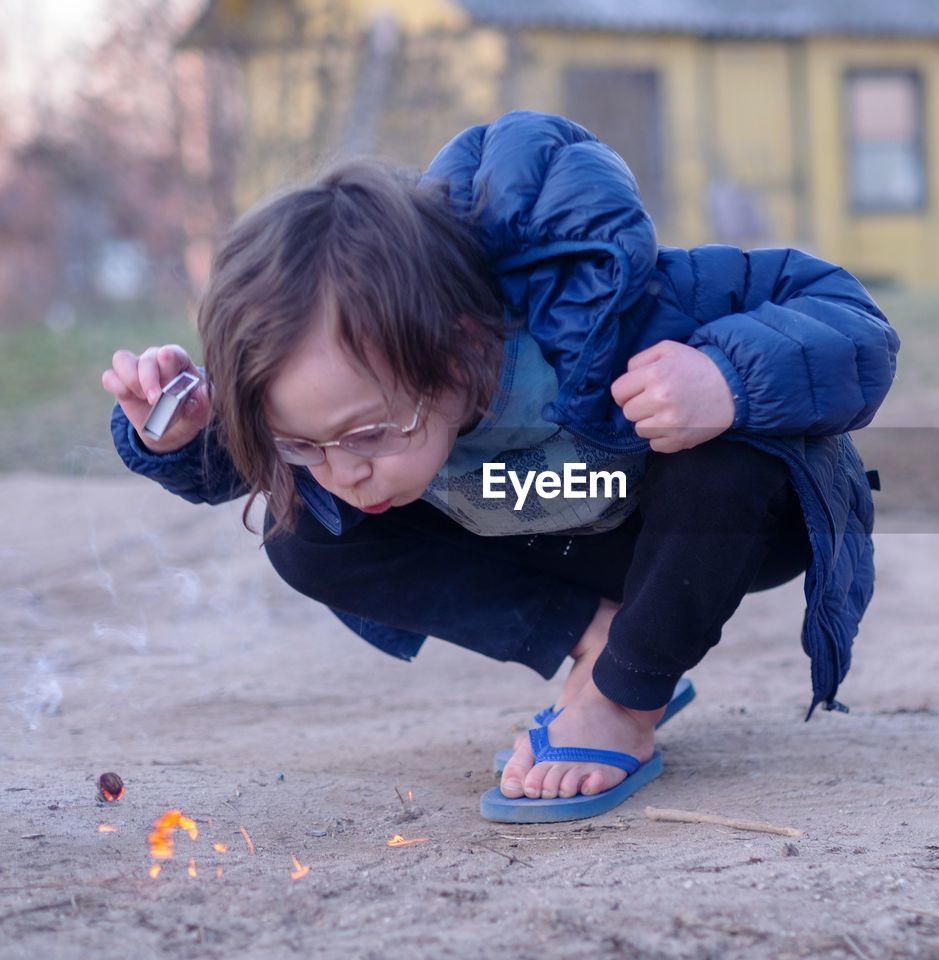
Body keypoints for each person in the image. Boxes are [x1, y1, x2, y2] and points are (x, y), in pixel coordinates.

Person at [102, 111, 899, 823]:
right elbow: (282, 461)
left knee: (725, 455)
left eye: (370, 433)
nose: (345, 469)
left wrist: (727, 379)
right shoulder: (349, 433)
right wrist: (183, 438)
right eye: (303, 441)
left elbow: (849, 316)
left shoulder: (615, 308)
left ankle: (627, 697)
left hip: (722, 527)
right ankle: (603, 643)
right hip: (554, 517)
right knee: (303, 526)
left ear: (460, 343)